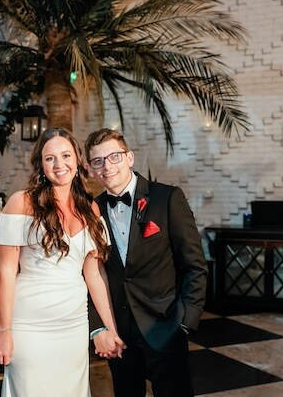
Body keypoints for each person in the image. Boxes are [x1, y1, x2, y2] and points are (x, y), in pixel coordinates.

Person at [0, 127, 125, 396]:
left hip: (74, 326)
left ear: (77, 161)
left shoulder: (91, 208)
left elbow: (95, 275)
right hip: (30, 327)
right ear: (41, 165)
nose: (59, 164)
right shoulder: (21, 203)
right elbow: (6, 272)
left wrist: (110, 327)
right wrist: (3, 330)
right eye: (50, 158)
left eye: (65, 155)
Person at [84, 128, 208, 397]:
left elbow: (195, 265)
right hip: (119, 333)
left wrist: (184, 321)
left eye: (114, 156)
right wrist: (100, 327)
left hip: (166, 327)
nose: (107, 166)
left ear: (129, 157)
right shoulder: (92, 211)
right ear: (91, 169)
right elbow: (90, 274)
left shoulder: (167, 198)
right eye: (98, 161)